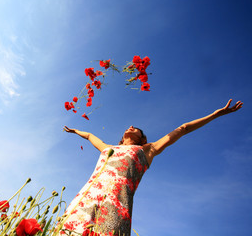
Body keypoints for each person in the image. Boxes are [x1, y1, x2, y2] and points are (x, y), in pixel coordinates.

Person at [58, 99, 243, 236]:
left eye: (136, 128)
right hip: (87, 197)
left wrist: (215, 114)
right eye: (129, 126)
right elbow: (90, 135)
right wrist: (76, 131)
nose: (131, 126)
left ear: (143, 138)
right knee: (69, 229)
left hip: (116, 203)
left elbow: (183, 128)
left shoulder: (147, 150)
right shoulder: (108, 148)